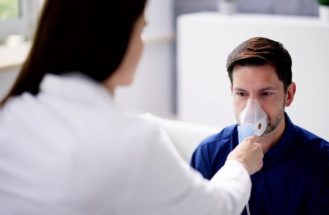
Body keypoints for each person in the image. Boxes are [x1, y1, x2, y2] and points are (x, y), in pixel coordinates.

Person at [0, 1, 264, 214]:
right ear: (114, 38)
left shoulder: (11, 115)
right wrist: (238, 164)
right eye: (141, 30)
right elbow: (213, 209)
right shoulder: (135, 142)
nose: (142, 43)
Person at [191, 37, 329, 215]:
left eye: (266, 93)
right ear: (232, 93)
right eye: (241, 93)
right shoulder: (208, 154)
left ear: (289, 95)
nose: (252, 108)